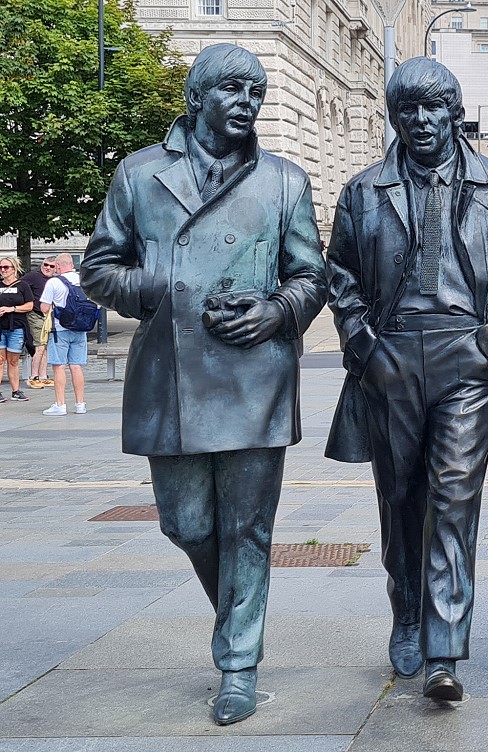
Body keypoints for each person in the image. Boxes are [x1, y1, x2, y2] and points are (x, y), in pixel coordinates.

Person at [81, 44, 327, 725]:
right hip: (172, 377)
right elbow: (99, 267)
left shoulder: (283, 179)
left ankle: (237, 665)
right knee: (185, 524)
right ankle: (237, 615)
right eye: (233, 90)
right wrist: (158, 283)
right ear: (197, 99)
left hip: (254, 376)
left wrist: (278, 310)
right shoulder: (139, 175)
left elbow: (313, 275)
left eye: (257, 91)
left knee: (248, 530)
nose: (248, 102)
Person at [325, 57, 488, 702]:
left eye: (433, 108)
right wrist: (365, 347)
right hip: (390, 357)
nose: (421, 120)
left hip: (465, 358)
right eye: (408, 109)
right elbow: (342, 277)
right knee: (400, 499)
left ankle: (445, 648)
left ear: (454, 113)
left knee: (453, 499)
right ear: (394, 116)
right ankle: (407, 613)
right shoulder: (364, 191)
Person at [39, 253, 87, 416]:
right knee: (76, 366)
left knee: (59, 366)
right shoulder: (85, 280)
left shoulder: (54, 282)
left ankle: (60, 405)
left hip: (59, 329)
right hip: (81, 329)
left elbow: (44, 308)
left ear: (58, 266)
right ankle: (80, 404)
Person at [0, 255, 34, 403]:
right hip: (0, 327)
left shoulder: (22, 286)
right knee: (0, 360)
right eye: (1, 267)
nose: (3, 270)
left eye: (6, 267)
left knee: (13, 361)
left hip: (17, 326)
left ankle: (15, 390)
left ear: (14, 269)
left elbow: (29, 305)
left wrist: (11, 309)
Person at [22, 257, 54, 389]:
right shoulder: (34, 276)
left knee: (44, 347)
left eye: (51, 266)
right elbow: (20, 285)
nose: (47, 268)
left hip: (47, 316)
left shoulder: (53, 280)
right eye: (45, 265)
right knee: (39, 347)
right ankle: (34, 376)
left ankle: (43, 376)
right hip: (35, 314)